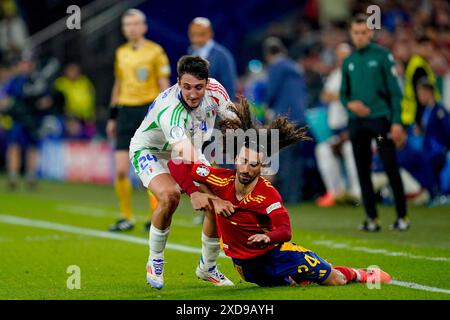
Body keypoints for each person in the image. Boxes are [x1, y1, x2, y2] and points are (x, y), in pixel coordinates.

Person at [167, 98, 391, 287]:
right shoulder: (218, 177)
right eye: (243, 162)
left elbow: (285, 230)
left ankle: (359, 273)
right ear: (235, 159)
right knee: (290, 284)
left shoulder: (268, 195)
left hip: (276, 254)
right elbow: (176, 163)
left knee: (336, 279)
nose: (246, 169)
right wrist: (195, 193)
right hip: (246, 268)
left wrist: (268, 237)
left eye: (253, 165)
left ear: (262, 166)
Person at [129, 55, 239, 289]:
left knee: (217, 202)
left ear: (207, 84)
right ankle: (155, 260)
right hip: (152, 151)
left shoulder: (217, 91)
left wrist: (245, 156)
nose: (192, 94)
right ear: (178, 82)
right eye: (186, 87)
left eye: (198, 87)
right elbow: (184, 157)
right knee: (171, 196)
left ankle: (207, 267)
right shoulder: (170, 111)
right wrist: (196, 191)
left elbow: (234, 126)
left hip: (189, 151)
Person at [340, 14, 409, 232]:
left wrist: (397, 122)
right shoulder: (349, 61)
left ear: (370, 33)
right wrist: (350, 105)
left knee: (390, 166)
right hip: (357, 123)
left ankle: (402, 216)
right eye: (356, 33)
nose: (360, 37)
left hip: (380, 121)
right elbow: (343, 94)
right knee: (362, 170)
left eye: (363, 32)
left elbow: (395, 93)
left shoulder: (382, 56)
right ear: (351, 34)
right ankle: (372, 218)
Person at [107, 9, 171, 232]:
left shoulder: (155, 51)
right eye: (127, 24)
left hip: (147, 111)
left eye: (135, 24)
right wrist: (112, 116)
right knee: (122, 170)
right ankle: (126, 217)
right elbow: (118, 84)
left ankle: (155, 215)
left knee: (150, 167)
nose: (131, 28)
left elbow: (164, 83)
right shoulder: (120, 52)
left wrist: (168, 111)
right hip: (125, 112)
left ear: (144, 27)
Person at [263, 37, 308, 204]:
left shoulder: (276, 66)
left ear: (268, 55)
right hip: (301, 117)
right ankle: (295, 195)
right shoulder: (295, 67)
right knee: (296, 158)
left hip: (285, 118)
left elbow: (271, 92)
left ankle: (287, 197)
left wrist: (266, 106)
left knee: (285, 157)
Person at [315, 43, 360, 207]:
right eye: (339, 58)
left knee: (350, 148)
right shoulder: (336, 74)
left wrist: (339, 96)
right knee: (322, 150)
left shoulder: (358, 75)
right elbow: (324, 96)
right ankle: (336, 192)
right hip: (337, 131)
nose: (342, 61)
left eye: (345, 58)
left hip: (355, 131)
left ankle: (357, 192)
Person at [187, 17, 237, 97]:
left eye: (201, 34)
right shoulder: (190, 52)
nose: (196, 39)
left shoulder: (222, 56)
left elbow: (229, 87)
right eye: (193, 35)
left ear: (210, 33)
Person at [401, 36, 441, 127]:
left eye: (431, 47)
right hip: (416, 116)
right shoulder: (419, 67)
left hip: (411, 115)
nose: (429, 49)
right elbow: (422, 96)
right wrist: (419, 121)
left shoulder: (417, 63)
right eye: (425, 46)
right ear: (417, 47)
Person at [54, 63, 96, 140]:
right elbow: (56, 102)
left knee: (91, 132)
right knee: (74, 130)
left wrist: (90, 115)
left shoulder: (85, 82)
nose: (73, 73)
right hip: (68, 116)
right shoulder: (60, 84)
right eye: (71, 71)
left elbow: (91, 99)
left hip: (85, 116)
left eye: (75, 71)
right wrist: (68, 114)